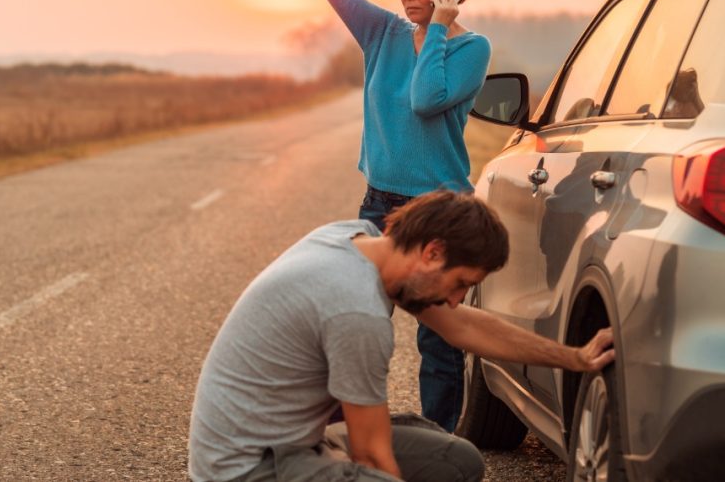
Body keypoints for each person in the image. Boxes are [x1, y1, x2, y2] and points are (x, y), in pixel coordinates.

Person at [188, 191, 615, 482]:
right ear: (432, 252)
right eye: (460, 282)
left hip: (294, 441)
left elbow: (464, 325)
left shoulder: (358, 241)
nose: (457, 299)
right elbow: (372, 455)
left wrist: (573, 358)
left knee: (457, 461)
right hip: (248, 468)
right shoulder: (355, 308)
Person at [319, 0, 491, 431]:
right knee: (351, 325)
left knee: (438, 343)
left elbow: (425, 100)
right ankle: (337, 438)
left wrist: (438, 27)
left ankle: (440, 444)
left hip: (440, 211)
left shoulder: (471, 49)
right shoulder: (382, 33)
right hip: (379, 205)